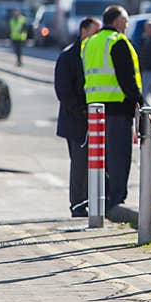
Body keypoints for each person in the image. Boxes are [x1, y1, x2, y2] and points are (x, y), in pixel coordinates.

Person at [80, 5, 143, 210]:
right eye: (125, 20)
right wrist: (140, 100)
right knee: (119, 156)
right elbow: (126, 78)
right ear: (116, 21)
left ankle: (101, 198)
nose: (126, 24)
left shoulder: (89, 43)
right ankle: (116, 200)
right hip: (117, 107)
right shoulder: (117, 42)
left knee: (101, 158)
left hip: (94, 109)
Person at [54, 16, 101, 217]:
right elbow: (63, 90)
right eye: (95, 31)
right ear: (84, 32)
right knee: (80, 162)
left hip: (93, 117)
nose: (98, 36)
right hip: (76, 119)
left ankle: (94, 200)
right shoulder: (68, 56)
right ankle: (78, 204)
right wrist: (81, 111)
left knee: (95, 162)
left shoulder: (94, 53)